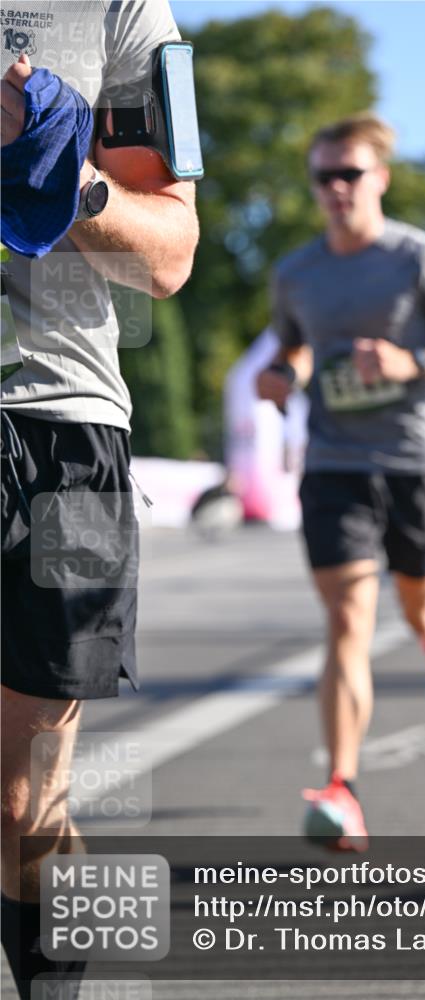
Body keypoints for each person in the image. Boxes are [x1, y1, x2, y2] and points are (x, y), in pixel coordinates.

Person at [1, 3, 199, 996]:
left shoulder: (122, 11)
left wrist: (68, 179)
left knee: (19, 806)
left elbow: (168, 257)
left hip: (52, 425)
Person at [257, 114, 425, 851]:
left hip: (412, 463)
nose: (337, 188)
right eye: (323, 176)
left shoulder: (423, 259)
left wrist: (412, 363)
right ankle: (342, 789)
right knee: (347, 621)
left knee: (423, 608)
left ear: (380, 179)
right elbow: (296, 346)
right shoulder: (295, 272)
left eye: (350, 174)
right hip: (334, 463)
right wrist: (282, 375)